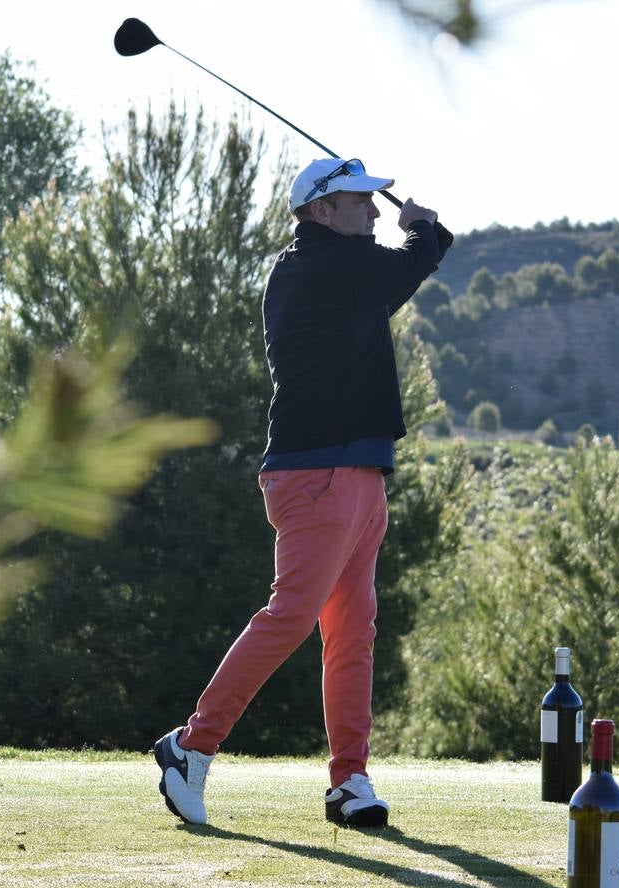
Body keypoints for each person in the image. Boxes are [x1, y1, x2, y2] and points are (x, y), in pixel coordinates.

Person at [153, 157, 447, 828]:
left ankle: (350, 783)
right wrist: (422, 230)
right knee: (291, 617)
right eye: (358, 203)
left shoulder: (347, 270)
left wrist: (426, 235)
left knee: (352, 634)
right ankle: (190, 747)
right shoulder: (319, 267)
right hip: (318, 474)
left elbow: (416, 263)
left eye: (376, 205)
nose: (373, 214)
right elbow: (411, 262)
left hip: (357, 473)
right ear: (321, 211)